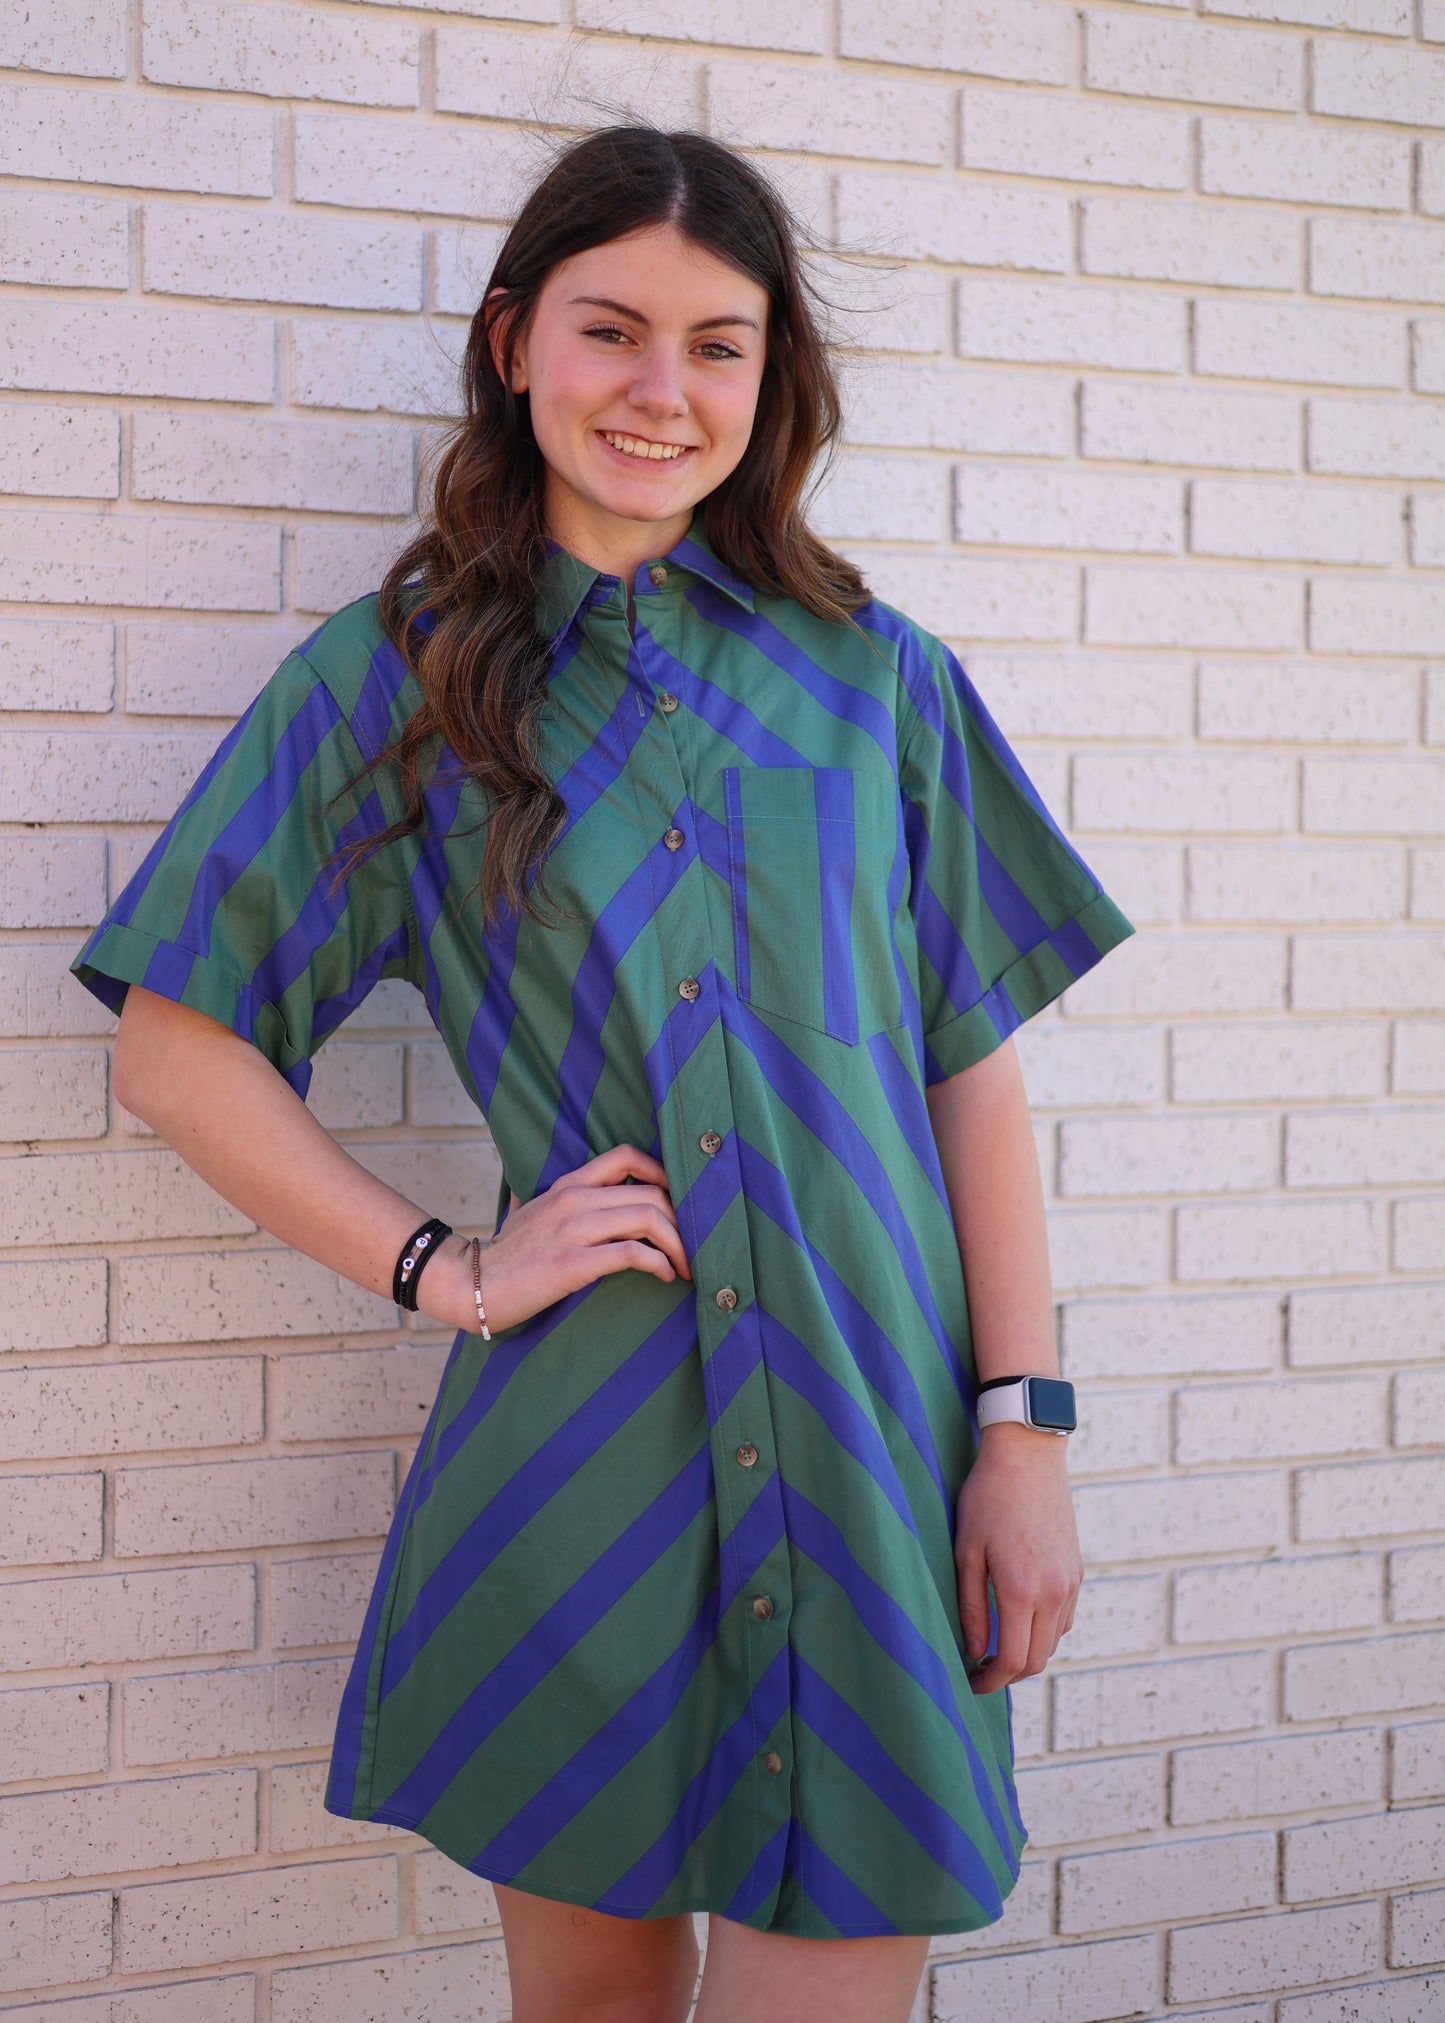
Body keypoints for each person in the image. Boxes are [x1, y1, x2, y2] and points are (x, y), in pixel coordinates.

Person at [72, 126, 1132, 2023]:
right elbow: (175, 1047)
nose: (663, 390)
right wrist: (448, 1270)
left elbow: (966, 1074)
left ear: (768, 374)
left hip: (876, 1445)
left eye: (717, 344)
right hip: (588, 1459)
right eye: (611, 331)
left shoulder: (872, 679)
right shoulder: (395, 685)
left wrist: (1022, 1434)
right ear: (512, 343)